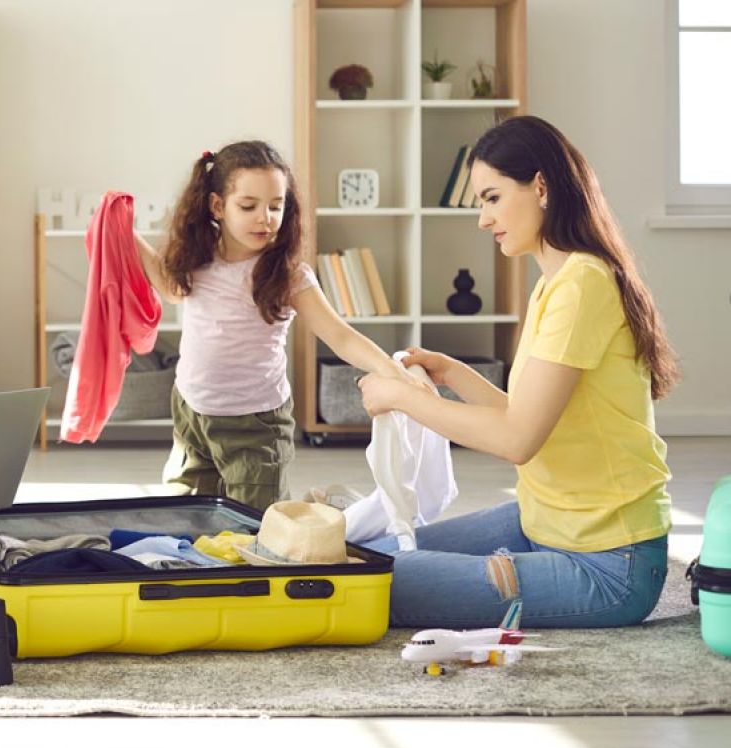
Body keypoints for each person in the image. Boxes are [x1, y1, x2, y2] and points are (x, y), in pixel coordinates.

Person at [358, 116, 678, 628]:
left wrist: (401, 398)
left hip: (609, 564)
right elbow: (526, 414)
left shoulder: (582, 286)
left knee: (372, 580)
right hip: (545, 523)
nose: (483, 219)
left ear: (542, 186)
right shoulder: (556, 281)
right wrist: (452, 373)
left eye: (491, 197)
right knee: (367, 552)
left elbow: (517, 441)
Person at [134, 140, 417, 511]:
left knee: (252, 522)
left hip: (255, 425)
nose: (265, 218)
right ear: (217, 206)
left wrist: (391, 369)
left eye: (276, 206)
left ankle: (320, 511)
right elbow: (171, 290)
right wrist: (127, 233)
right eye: (249, 206)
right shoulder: (197, 259)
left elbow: (338, 335)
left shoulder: (288, 275)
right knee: (185, 516)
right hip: (192, 412)